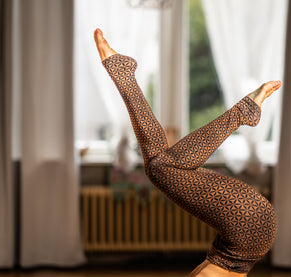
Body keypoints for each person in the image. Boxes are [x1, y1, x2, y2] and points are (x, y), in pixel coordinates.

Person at [94, 29, 281, 277]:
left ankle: (124, 72)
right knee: (160, 168)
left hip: (251, 227)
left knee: (161, 164)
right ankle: (242, 112)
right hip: (247, 224)